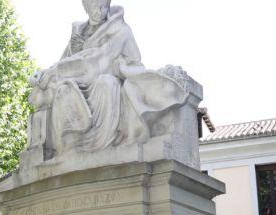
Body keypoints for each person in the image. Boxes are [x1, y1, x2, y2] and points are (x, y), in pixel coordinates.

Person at [27, 0, 190, 158]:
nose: (99, 10)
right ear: (85, 5)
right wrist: (44, 73)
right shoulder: (78, 33)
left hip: (106, 76)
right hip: (79, 82)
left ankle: (98, 144)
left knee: (106, 83)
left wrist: (56, 72)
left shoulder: (120, 30)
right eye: (93, 5)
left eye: (103, 6)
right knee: (64, 89)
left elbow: (106, 61)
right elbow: (63, 62)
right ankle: (71, 145)